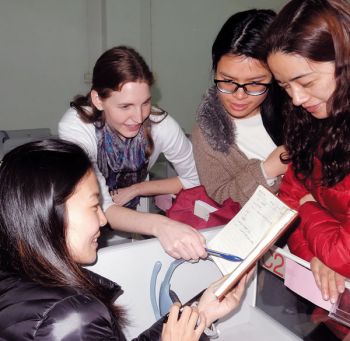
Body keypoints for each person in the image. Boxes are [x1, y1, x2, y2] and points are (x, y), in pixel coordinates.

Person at [0, 139, 251, 340]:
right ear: (50, 214)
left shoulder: (17, 274)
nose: (102, 220)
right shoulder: (71, 317)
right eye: (93, 206)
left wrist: (201, 313)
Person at [59, 45, 206, 260]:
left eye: (145, 102)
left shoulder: (161, 125)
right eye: (125, 106)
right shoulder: (76, 127)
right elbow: (101, 205)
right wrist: (162, 225)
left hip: (133, 216)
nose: (138, 117)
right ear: (98, 100)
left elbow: (195, 178)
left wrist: (138, 188)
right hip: (87, 218)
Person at [264, 0, 350, 338]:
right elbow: (287, 204)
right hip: (333, 294)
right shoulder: (313, 118)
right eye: (285, 87)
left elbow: (345, 253)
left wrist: (309, 207)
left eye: (305, 82)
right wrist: (315, 257)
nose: (297, 99)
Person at [192, 9, 287, 207]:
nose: (239, 95)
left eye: (254, 83)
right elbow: (220, 196)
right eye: (227, 81)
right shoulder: (209, 133)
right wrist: (268, 170)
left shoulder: (300, 109)